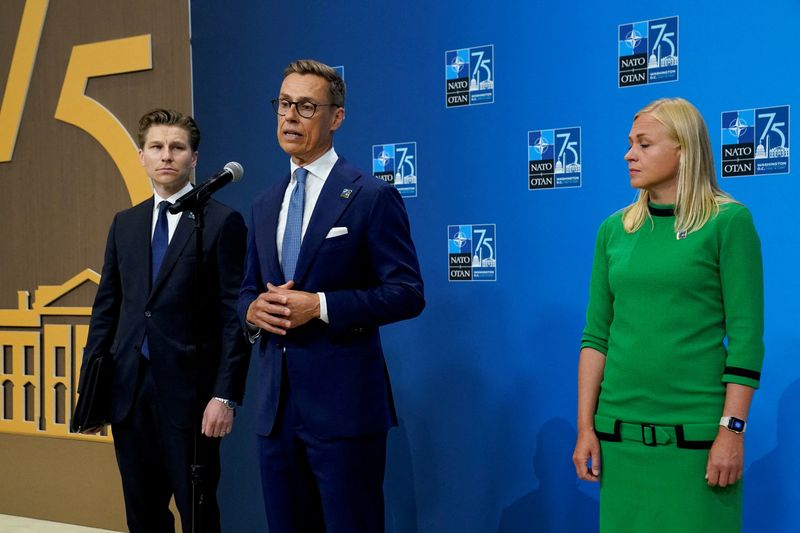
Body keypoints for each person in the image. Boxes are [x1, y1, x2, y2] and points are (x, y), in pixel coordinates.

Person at [239, 59, 425, 533]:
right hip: (275, 413)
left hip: (344, 412)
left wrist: (319, 306)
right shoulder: (264, 203)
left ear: (336, 117)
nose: (290, 117)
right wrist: (252, 310)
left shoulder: (369, 195)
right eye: (283, 104)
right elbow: (244, 291)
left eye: (305, 106)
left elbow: (406, 293)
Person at [572, 97, 764, 532]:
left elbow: (747, 338)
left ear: (684, 150)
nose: (629, 154)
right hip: (619, 443)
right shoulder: (613, 230)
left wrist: (731, 432)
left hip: (697, 446)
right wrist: (586, 427)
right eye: (629, 143)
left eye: (644, 144)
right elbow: (596, 337)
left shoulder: (728, 223)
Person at [79, 109, 250, 532]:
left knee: (198, 512)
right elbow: (107, 312)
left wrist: (224, 395)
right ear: (141, 156)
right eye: (156, 147)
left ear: (194, 158)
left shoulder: (222, 222)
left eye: (177, 147)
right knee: (142, 514)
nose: (166, 156)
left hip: (191, 398)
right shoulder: (125, 224)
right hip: (128, 394)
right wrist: (93, 393)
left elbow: (235, 318)